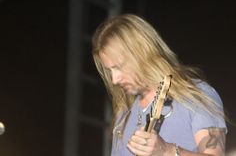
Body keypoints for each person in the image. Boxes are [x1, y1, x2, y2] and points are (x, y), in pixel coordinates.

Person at [92, 14, 227, 156]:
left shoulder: (197, 95)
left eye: (118, 67)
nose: (114, 79)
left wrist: (166, 151)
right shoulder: (123, 115)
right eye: (110, 70)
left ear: (141, 53)